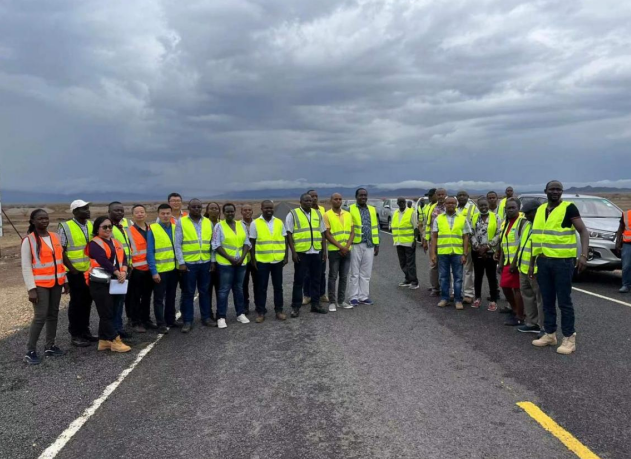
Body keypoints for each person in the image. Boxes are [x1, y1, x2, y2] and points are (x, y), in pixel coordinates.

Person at [531, 181, 589, 355]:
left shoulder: (569, 208)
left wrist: (584, 255)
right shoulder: (541, 209)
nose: (555, 192)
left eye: (558, 189)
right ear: (545, 191)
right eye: (552, 189)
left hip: (562, 263)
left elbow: (583, 231)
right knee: (547, 300)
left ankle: (569, 338)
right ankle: (550, 334)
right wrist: (532, 262)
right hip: (543, 261)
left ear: (562, 192)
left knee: (564, 301)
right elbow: (536, 237)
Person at [22, 209, 68, 365]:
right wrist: (31, 289)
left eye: (46, 218)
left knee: (53, 314)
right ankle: (30, 351)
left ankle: (50, 346)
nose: (44, 221)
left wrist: (65, 280)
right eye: (40, 219)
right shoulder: (29, 240)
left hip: (56, 283)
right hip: (40, 285)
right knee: (40, 316)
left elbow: (60, 261)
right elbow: (26, 267)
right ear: (33, 221)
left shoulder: (55, 237)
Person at [85, 216, 131, 353]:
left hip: (115, 281)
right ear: (97, 229)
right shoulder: (94, 244)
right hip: (99, 283)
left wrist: (123, 272)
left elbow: (124, 258)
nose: (108, 229)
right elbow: (103, 260)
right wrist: (117, 272)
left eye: (110, 226)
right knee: (106, 312)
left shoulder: (116, 242)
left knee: (112, 310)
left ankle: (104, 340)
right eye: (104, 227)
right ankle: (115, 340)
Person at [59, 200, 96, 347]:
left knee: (87, 301)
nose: (87, 211)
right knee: (76, 303)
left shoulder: (91, 225)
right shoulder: (66, 227)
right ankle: (75, 334)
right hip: (75, 273)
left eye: (87, 208)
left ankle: (85, 331)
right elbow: (61, 251)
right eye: (83, 209)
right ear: (74, 212)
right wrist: (72, 270)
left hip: (89, 271)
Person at [175, 199, 212, 333]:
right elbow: (177, 244)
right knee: (188, 293)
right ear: (188, 208)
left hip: (205, 262)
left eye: (199, 207)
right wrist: (181, 262)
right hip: (189, 264)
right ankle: (187, 321)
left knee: (205, 292)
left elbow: (211, 243)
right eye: (194, 207)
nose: (196, 209)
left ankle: (206, 318)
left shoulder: (207, 222)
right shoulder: (182, 222)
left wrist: (212, 261)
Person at [287, 193, 327, 317]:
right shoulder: (293, 214)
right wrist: (293, 252)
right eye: (306, 200)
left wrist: (324, 251)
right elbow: (289, 234)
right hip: (301, 253)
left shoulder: (317, 213)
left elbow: (322, 233)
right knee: (299, 280)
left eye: (310, 200)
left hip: (316, 251)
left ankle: (315, 304)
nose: (309, 202)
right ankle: (295, 306)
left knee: (316, 279)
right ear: (300, 202)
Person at [212, 203, 252, 328]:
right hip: (225, 264)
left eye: (232, 211)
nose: (230, 213)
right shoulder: (219, 226)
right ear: (223, 213)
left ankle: (240, 314)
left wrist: (242, 257)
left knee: (239, 289)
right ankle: (221, 317)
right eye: (227, 211)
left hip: (241, 262)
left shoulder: (241, 225)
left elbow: (247, 243)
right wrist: (230, 259)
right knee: (224, 290)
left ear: (235, 212)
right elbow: (216, 244)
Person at [249, 200, 288, 322]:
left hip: (277, 260)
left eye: (271, 208)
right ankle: (261, 312)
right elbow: (252, 242)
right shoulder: (255, 223)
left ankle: (279, 310)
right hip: (262, 260)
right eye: (266, 208)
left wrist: (286, 256)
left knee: (278, 287)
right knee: (261, 287)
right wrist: (253, 259)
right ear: (262, 209)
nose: (269, 210)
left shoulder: (279, 222)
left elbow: (285, 239)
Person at [431, 197, 471, 309]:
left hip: (457, 253)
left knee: (458, 277)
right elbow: (434, 237)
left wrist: (465, 254)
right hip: (443, 252)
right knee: (443, 277)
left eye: (453, 203)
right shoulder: (438, 218)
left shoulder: (462, 219)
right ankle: (445, 299)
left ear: (456, 205)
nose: (451, 205)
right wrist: (433, 253)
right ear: (444, 204)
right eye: (448, 203)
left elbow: (465, 237)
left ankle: (458, 300)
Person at [125, 204, 155, 333]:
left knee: (147, 296)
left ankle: (146, 319)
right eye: (137, 212)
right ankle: (135, 321)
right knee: (135, 297)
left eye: (142, 212)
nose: (140, 214)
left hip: (150, 269)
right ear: (133, 215)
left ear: (146, 214)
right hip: (136, 270)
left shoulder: (151, 229)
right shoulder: (128, 231)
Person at [148, 204, 178, 334]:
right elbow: (150, 252)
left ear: (171, 214)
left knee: (171, 296)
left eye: (167, 213)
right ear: (158, 214)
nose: (165, 216)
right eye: (163, 213)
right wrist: (154, 271)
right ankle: (161, 323)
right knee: (159, 298)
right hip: (160, 270)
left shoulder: (175, 228)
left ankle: (170, 320)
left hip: (173, 269)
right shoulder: (153, 229)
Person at [496, 199, 526, 326]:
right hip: (507, 261)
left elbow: (521, 244)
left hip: (517, 262)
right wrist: (501, 262)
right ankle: (514, 309)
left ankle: (520, 316)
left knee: (517, 289)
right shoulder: (506, 222)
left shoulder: (522, 222)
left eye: (513, 207)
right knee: (505, 286)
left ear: (519, 208)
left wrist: (514, 263)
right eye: (508, 208)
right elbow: (504, 244)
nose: (511, 210)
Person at [516, 201, 544, 335]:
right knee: (527, 296)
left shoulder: (543, 225)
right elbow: (522, 244)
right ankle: (532, 323)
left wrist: (533, 265)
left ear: (536, 212)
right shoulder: (527, 224)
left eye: (528, 213)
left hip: (536, 269)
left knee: (540, 299)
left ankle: (543, 327)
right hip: (523, 267)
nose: (526, 216)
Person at [348, 188, 380, 306]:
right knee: (354, 272)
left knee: (366, 273)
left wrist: (377, 244)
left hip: (369, 244)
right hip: (355, 244)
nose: (363, 197)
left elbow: (376, 227)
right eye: (361, 195)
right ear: (356, 197)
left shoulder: (372, 209)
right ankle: (353, 297)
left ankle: (363, 296)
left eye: (365, 195)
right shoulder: (350, 209)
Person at [325, 193, 355, 311]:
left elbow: (352, 232)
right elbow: (327, 234)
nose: (338, 201)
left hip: (347, 251)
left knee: (344, 276)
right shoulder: (327, 215)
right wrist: (340, 247)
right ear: (331, 201)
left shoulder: (348, 214)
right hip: (334, 251)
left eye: (340, 199)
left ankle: (341, 301)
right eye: (335, 199)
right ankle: (332, 302)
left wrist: (346, 247)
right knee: (333, 276)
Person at [470, 198, 501, 311]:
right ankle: (477, 298)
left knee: (491, 276)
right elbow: (471, 233)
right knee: (478, 276)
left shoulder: (496, 217)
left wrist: (488, 246)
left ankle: (493, 300)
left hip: (490, 252)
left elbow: (499, 233)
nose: (483, 207)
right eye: (481, 205)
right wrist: (478, 247)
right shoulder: (474, 217)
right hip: (477, 251)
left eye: (485, 205)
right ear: (478, 206)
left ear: (488, 205)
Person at [108, 202, 132, 338]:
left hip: (125, 268)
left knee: (120, 300)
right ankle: (113, 330)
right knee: (114, 301)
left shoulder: (122, 227)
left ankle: (118, 327)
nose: (119, 213)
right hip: (115, 270)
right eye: (116, 210)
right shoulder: (108, 228)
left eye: (121, 210)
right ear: (109, 212)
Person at [303, 189, 328, 305]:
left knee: (321, 272)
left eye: (316, 196)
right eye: (312, 196)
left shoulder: (322, 210)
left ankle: (321, 294)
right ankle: (307, 295)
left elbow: (323, 230)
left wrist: (324, 250)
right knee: (307, 273)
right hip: (307, 247)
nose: (314, 198)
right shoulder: (303, 211)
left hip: (319, 246)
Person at [391, 196, 419, 289]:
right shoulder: (395, 213)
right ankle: (408, 279)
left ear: (406, 202)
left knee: (410, 263)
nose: (402, 203)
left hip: (409, 242)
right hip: (398, 242)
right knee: (402, 262)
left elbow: (415, 227)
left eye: (403, 202)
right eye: (400, 202)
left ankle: (414, 282)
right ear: (397, 203)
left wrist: (414, 240)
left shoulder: (411, 212)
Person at [423, 188, 447, 296]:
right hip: (433, 241)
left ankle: (445, 288)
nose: (441, 196)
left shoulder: (450, 206)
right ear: (436, 195)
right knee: (433, 264)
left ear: (445, 195)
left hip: (446, 241)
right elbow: (428, 224)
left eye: (442, 194)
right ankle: (435, 287)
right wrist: (425, 239)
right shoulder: (432, 207)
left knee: (446, 266)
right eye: (439, 194)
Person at [456, 190, 477, 304]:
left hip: (468, 244)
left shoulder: (473, 208)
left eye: (464, 195)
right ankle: (455, 292)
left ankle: (468, 294)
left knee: (468, 270)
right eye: (459, 195)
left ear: (468, 197)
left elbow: (476, 225)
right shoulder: (454, 208)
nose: (462, 197)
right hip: (455, 244)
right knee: (455, 270)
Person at [204, 202, 222, 321]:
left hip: (221, 262)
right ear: (207, 210)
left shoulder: (222, 224)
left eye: (216, 208)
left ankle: (220, 313)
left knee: (220, 290)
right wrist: (211, 261)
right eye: (211, 208)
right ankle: (208, 314)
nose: (214, 210)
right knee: (207, 290)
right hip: (207, 262)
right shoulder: (203, 224)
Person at [240, 203, 258, 316]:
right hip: (244, 259)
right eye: (245, 210)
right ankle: (245, 305)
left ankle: (258, 304)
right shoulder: (238, 225)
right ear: (241, 212)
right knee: (244, 284)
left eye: (249, 210)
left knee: (258, 283)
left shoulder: (257, 223)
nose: (247, 212)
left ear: (252, 211)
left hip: (257, 258)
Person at [615, 208, 631, 293]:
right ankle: (626, 285)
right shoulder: (626, 214)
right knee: (626, 266)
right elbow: (621, 228)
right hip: (627, 243)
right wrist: (617, 242)